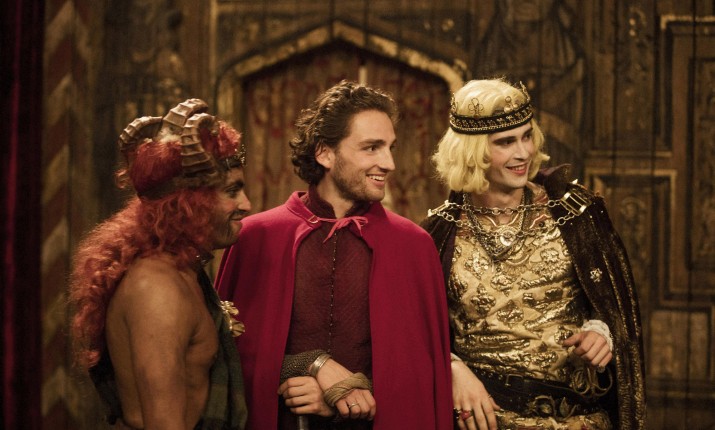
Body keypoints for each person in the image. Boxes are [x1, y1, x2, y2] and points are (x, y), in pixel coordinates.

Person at [215, 80, 452, 430]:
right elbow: (226, 359)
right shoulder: (254, 237)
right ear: (325, 154)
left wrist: (345, 396)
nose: (388, 163)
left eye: (390, 148)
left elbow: (420, 380)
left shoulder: (413, 247)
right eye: (371, 148)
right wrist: (309, 365)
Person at [421, 78, 646, 430]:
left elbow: (616, 306)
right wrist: (451, 367)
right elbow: (415, 333)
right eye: (505, 142)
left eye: (527, 136)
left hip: (579, 419)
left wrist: (601, 332)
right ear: (470, 151)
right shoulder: (439, 232)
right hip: (486, 421)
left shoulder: (576, 212)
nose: (523, 153)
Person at [69, 99, 250, 430]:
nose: (246, 204)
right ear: (190, 203)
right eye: (232, 192)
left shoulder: (179, 271)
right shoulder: (156, 288)